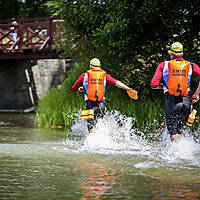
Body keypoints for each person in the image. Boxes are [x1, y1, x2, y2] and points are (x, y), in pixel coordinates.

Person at [151, 42, 200, 142]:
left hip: (172, 103)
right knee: (179, 130)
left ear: (171, 54)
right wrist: (196, 94)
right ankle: (183, 154)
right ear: (182, 54)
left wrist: (165, 86)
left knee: (174, 133)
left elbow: (153, 84)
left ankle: (176, 156)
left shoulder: (163, 65)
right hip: (186, 103)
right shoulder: (190, 65)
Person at [72, 58, 138, 133]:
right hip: (101, 106)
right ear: (100, 66)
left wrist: (81, 88)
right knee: (99, 125)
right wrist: (128, 89)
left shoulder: (84, 76)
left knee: (91, 127)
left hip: (90, 106)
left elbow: (73, 88)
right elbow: (117, 83)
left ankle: (92, 142)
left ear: (90, 67)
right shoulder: (105, 76)